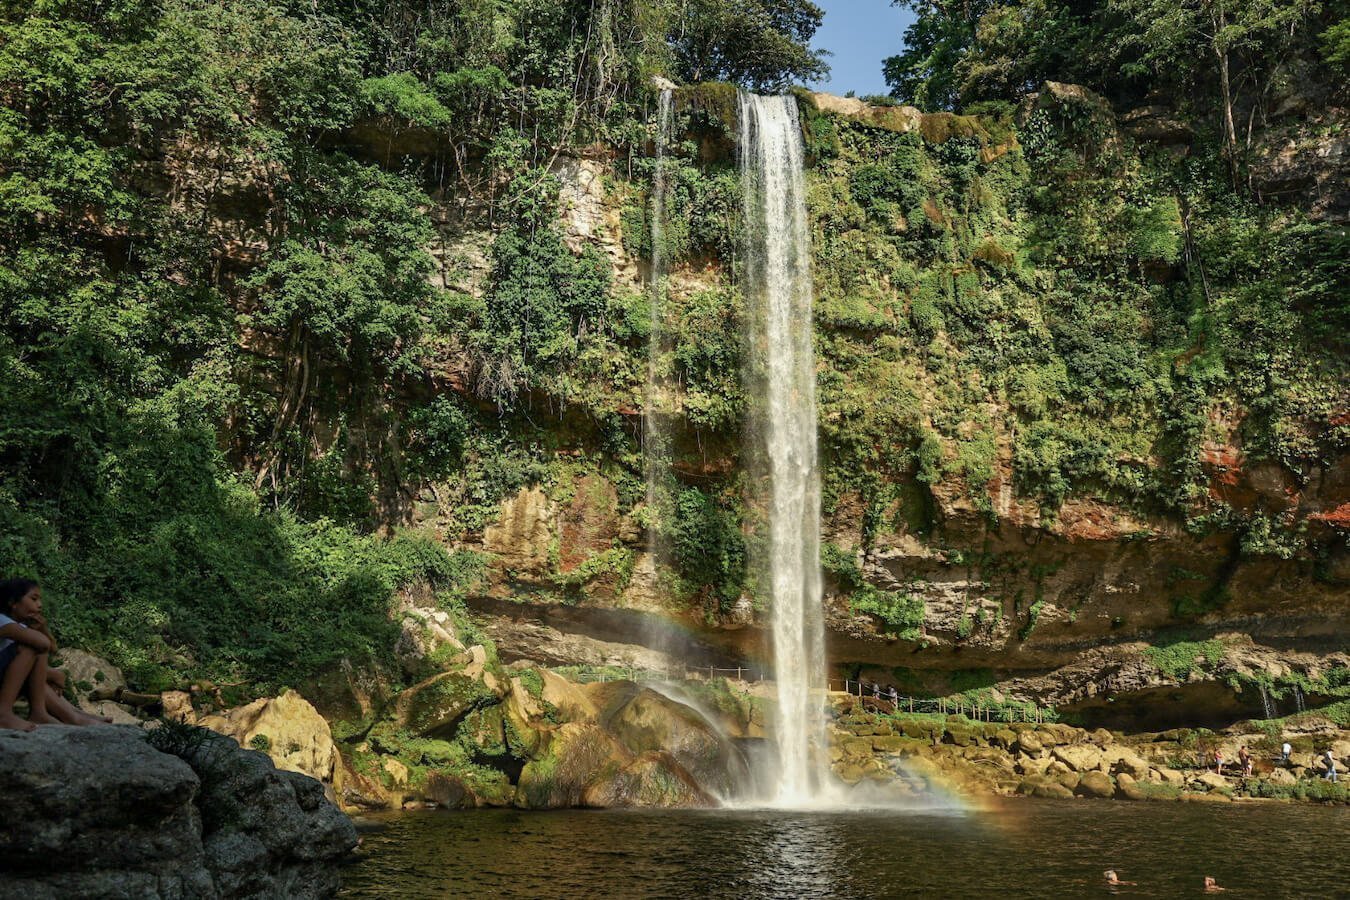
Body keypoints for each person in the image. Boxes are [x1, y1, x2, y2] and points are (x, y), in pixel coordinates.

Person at [0, 579, 108, 728]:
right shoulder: (3, 622)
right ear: (13, 602)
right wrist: (53, 674)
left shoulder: (20, 626)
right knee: (31, 647)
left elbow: (51, 649)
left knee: (37, 666)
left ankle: (73, 714)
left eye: (40, 599)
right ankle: (6, 713)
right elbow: (43, 645)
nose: (40, 605)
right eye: (34, 599)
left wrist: (42, 628)